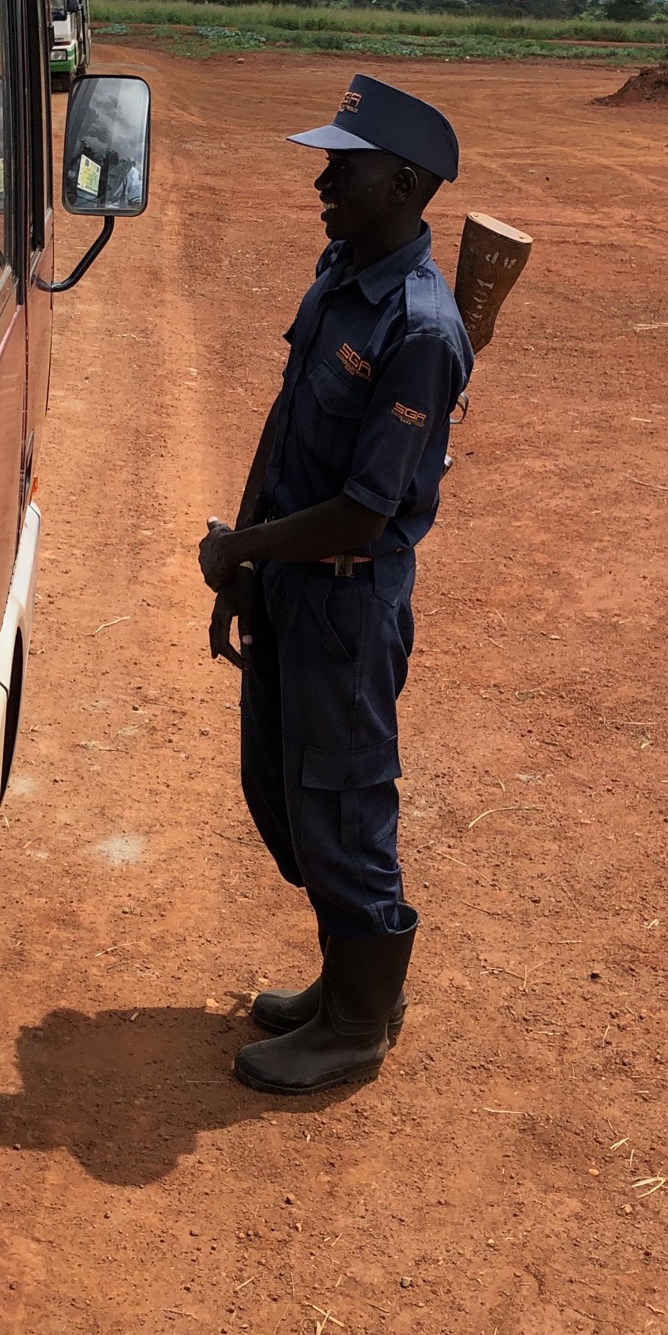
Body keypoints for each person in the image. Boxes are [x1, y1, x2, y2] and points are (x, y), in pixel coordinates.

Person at [198, 73, 473, 1094]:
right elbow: (284, 425)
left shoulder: (420, 329)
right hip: (290, 583)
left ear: (402, 184)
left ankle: (360, 1021)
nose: (321, 184)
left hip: (348, 602)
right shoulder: (339, 272)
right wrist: (245, 559)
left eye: (341, 170)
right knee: (288, 795)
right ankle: (346, 983)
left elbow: (364, 511)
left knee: (345, 804)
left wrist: (245, 548)